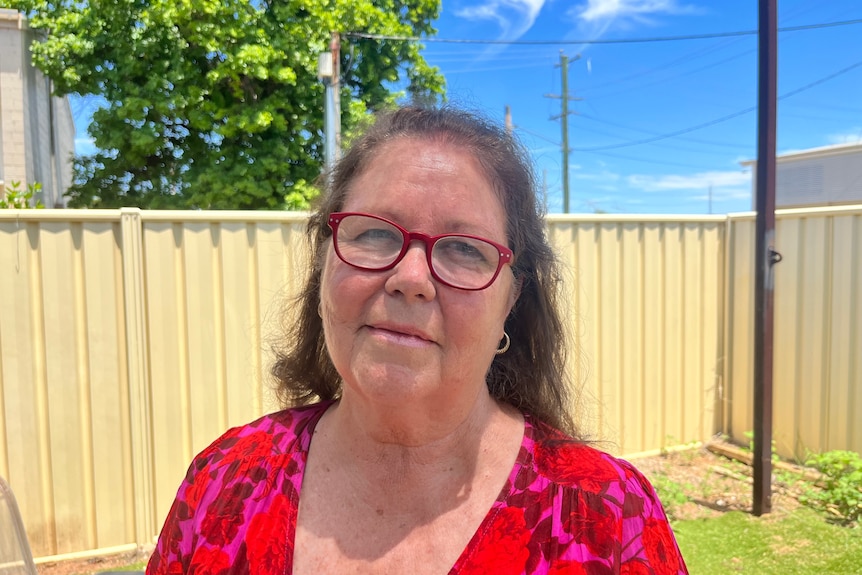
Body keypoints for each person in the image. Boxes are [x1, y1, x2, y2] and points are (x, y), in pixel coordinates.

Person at [146, 106, 688, 575]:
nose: (410, 277)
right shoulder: (224, 483)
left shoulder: (606, 521)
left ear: (512, 300)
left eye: (463, 249)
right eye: (375, 233)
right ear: (325, 262)